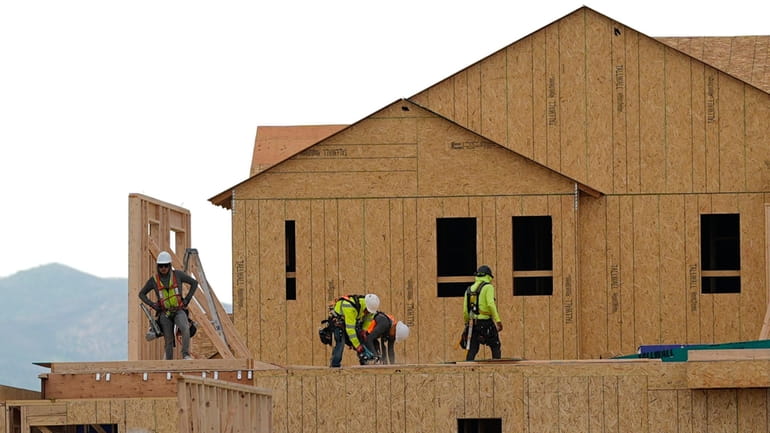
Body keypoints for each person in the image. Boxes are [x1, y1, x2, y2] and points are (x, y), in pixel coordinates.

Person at [139, 251, 199, 360]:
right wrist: (152, 304)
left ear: (170, 265)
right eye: (161, 266)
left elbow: (194, 283)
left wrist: (187, 299)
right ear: (158, 266)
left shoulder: (178, 275)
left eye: (166, 265)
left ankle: (185, 354)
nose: (163, 268)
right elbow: (141, 294)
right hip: (164, 313)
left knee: (185, 328)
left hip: (179, 310)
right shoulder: (154, 281)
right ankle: (169, 363)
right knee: (168, 339)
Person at [463, 265, 502, 360]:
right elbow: (490, 304)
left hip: (473, 324)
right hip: (486, 322)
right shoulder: (488, 287)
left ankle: (467, 371)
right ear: (488, 276)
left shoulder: (469, 289)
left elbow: (465, 309)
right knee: (495, 345)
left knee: (472, 349)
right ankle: (497, 369)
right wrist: (498, 320)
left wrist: (467, 323)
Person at [328, 293, 379, 367]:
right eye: (367, 311)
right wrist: (357, 346)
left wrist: (364, 330)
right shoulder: (350, 307)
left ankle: (364, 362)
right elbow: (350, 330)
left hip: (352, 321)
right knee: (340, 342)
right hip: (338, 322)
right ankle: (335, 366)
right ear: (365, 306)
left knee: (361, 338)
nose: (368, 313)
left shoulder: (370, 309)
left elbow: (369, 319)